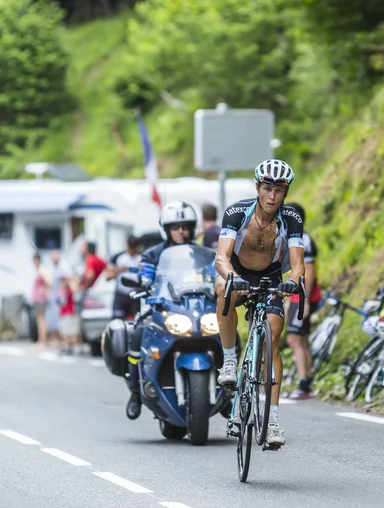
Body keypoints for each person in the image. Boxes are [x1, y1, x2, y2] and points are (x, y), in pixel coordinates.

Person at [215, 158, 304, 448]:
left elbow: (298, 264)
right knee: (222, 289)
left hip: (271, 279)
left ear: (285, 192)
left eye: (279, 191)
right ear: (257, 187)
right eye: (267, 188)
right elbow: (221, 257)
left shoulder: (291, 218)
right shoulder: (237, 212)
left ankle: (273, 421)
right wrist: (232, 278)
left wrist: (292, 281)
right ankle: (229, 361)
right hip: (238, 273)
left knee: (273, 338)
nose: (272, 196)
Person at [126, 201, 198, 420]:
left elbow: (214, 272)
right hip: (161, 308)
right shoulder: (153, 254)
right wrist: (145, 280)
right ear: (166, 229)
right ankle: (136, 392)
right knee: (137, 333)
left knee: (226, 331)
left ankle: (229, 391)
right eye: (175, 227)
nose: (181, 231)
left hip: (193, 309)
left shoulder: (199, 253)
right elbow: (145, 274)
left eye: (185, 226)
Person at [284, 202, 322, 400]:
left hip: (304, 296)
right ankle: (306, 381)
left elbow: (309, 272)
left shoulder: (304, 240)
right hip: (298, 296)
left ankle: (303, 383)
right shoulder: (296, 238)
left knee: (294, 338)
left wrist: (303, 300)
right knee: (302, 338)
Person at [106, 235, 142, 320]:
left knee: (135, 321)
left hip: (135, 295)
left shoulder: (142, 258)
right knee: (117, 320)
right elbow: (108, 277)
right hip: (121, 294)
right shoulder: (118, 257)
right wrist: (119, 270)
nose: (132, 251)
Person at [31, 253, 51, 347]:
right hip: (39, 299)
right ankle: (41, 340)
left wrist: (42, 290)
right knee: (40, 319)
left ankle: (43, 341)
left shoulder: (41, 270)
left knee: (41, 320)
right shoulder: (39, 270)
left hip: (41, 299)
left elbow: (48, 281)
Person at [57, 275, 79, 355]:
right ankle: (66, 347)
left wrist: (71, 281)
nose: (62, 283)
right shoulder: (60, 291)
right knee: (64, 332)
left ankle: (72, 347)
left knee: (71, 332)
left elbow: (75, 289)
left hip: (70, 313)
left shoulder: (69, 291)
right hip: (63, 314)